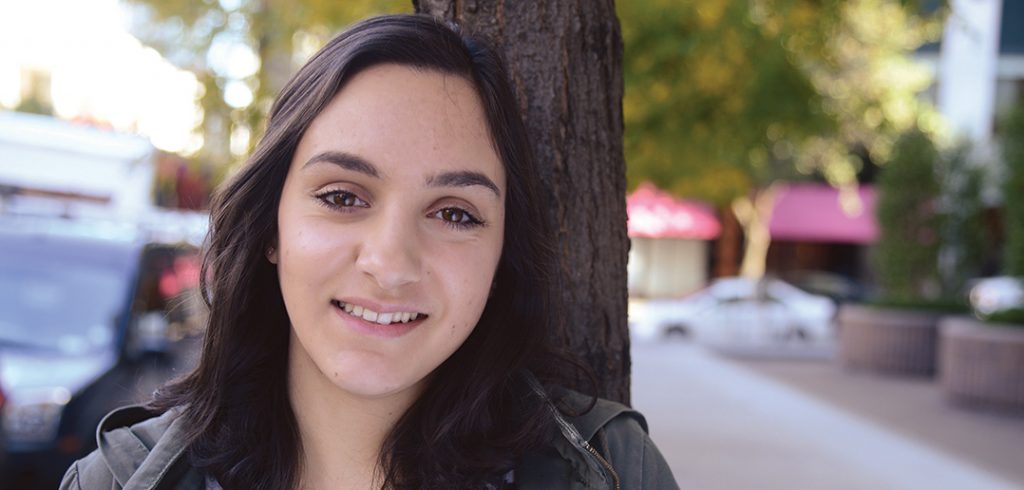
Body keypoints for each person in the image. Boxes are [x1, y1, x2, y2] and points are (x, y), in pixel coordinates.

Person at [61, 13, 678, 490]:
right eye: (342, 197)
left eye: (454, 213)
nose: (390, 263)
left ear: (501, 256)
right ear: (271, 227)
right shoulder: (118, 481)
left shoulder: (611, 471)